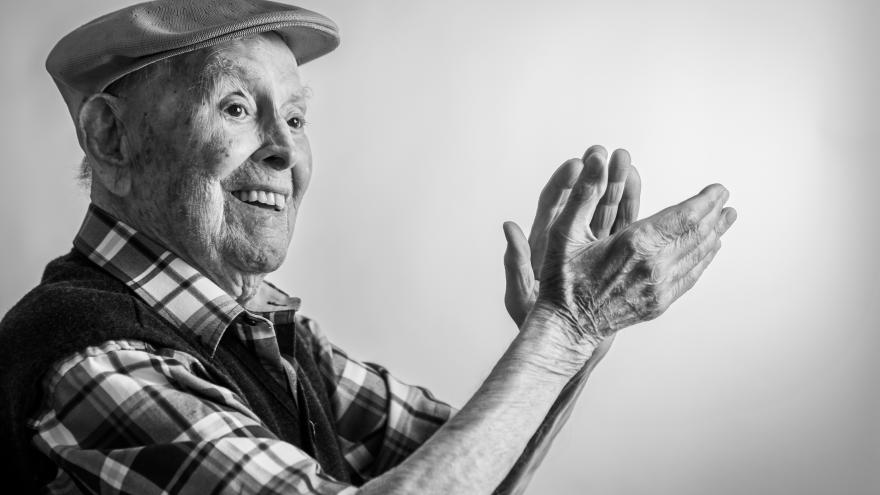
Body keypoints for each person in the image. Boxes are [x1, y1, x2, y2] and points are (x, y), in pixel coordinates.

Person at [0, 1, 737, 493]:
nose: (285, 150)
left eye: (294, 116)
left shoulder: (265, 332)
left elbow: (470, 465)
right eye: (235, 107)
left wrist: (577, 329)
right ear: (110, 137)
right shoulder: (91, 357)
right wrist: (564, 329)